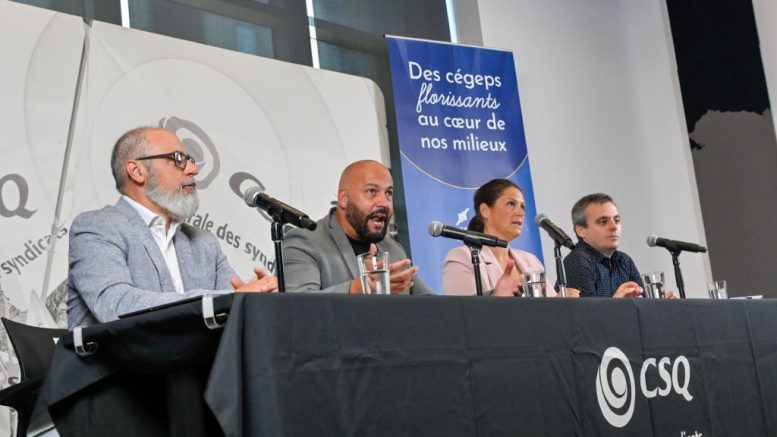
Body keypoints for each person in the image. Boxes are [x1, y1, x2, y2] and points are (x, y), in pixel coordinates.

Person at [67, 127, 277, 328]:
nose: (193, 169)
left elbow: (232, 311)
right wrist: (230, 300)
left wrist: (257, 300)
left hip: (201, 364)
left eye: (190, 161)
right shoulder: (97, 227)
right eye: (178, 159)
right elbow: (117, 306)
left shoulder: (203, 242)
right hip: (123, 364)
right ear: (137, 171)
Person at [283, 160, 432, 295]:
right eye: (371, 191)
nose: (384, 203)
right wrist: (358, 288)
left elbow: (432, 307)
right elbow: (299, 305)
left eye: (389, 193)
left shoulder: (393, 249)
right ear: (344, 199)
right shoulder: (304, 242)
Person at [442, 179, 579, 297]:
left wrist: (559, 300)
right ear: (485, 210)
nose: (520, 212)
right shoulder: (462, 257)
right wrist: (496, 296)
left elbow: (547, 309)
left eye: (522, 206)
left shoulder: (531, 260)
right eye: (511, 204)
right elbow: (462, 313)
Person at [563, 193, 673, 298]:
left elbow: (644, 304)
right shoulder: (578, 260)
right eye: (603, 222)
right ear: (581, 230)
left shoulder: (624, 261)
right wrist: (617, 303)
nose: (614, 226)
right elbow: (586, 314)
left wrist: (660, 304)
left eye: (617, 220)